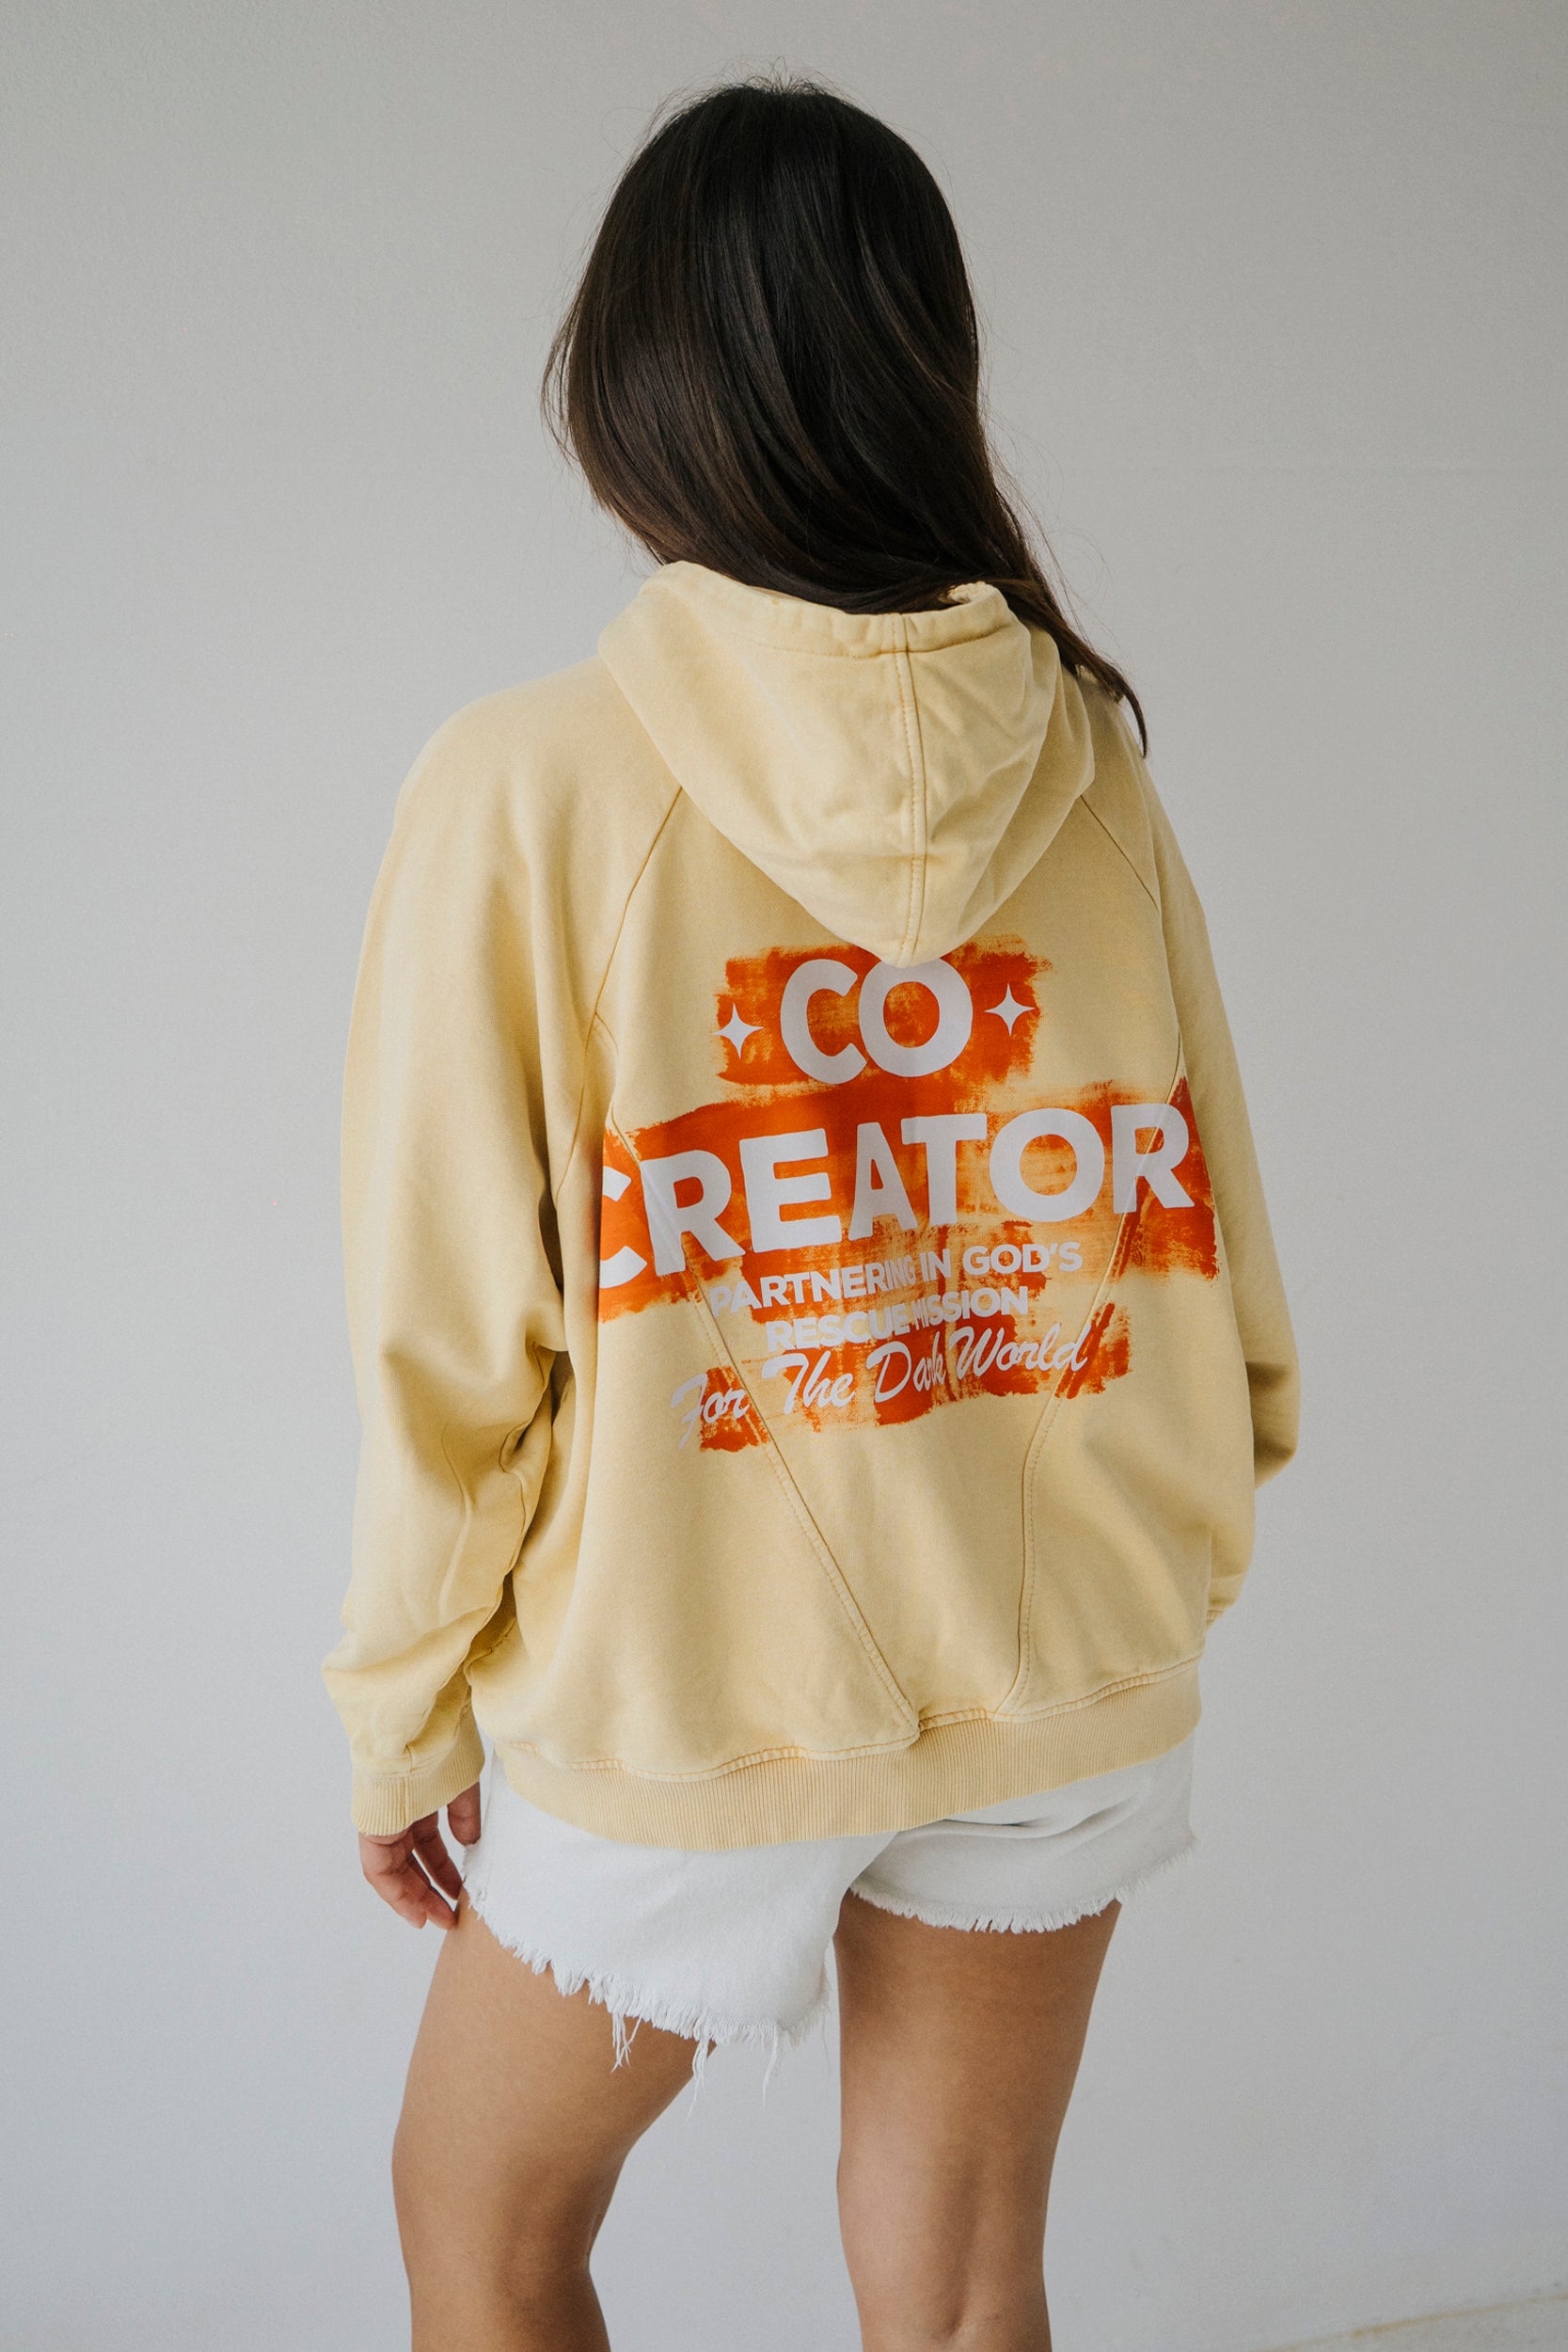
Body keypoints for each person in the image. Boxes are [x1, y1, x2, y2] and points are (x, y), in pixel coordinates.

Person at [324, 77, 1298, 2352]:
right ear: (924, 370)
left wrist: (402, 1715)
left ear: (634, 386)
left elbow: (451, 1332)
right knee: (961, 2285)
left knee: (482, 2224)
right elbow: (1205, 1228)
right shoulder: (1087, 754)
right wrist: (1177, 1540)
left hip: (692, 1684)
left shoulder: (525, 783)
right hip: (1065, 1663)